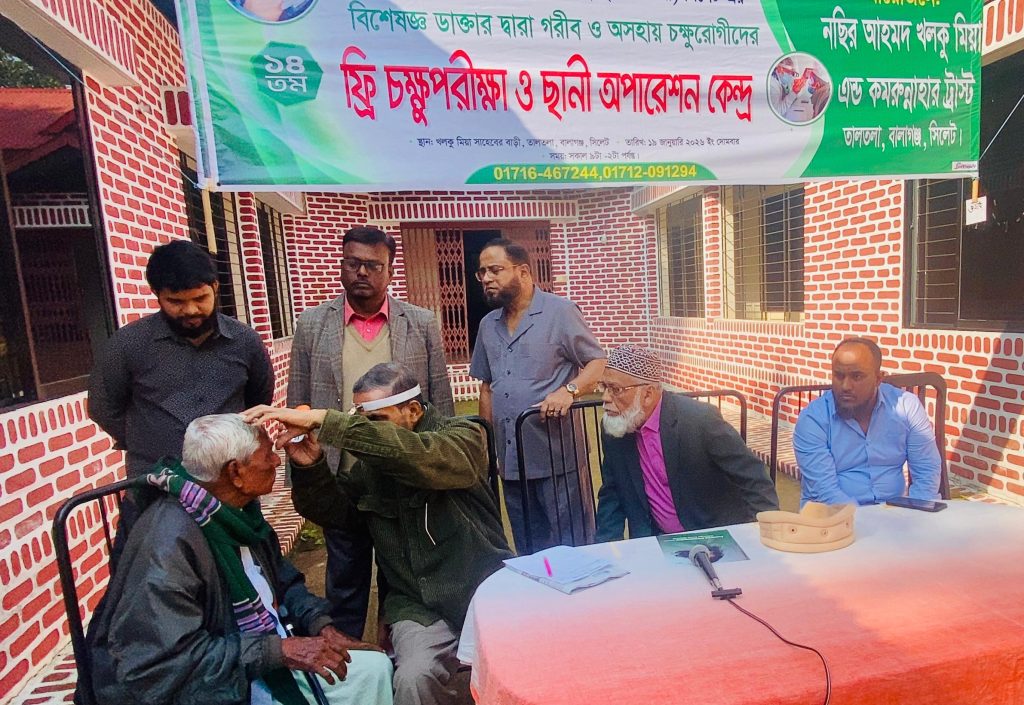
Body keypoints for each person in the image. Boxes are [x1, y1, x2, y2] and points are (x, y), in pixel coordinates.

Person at [244, 362, 512, 705]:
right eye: (361, 421)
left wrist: (327, 421)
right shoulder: (369, 472)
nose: (367, 432)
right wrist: (309, 467)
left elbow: (422, 456)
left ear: (413, 410)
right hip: (417, 606)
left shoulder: (464, 436)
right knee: (413, 679)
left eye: (376, 420)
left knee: (519, 671)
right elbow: (337, 515)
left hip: (485, 592)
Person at [87, 414, 394, 705]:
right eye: (267, 455)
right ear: (235, 472)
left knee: (374, 668)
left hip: (252, 656)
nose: (277, 461)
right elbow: (158, 666)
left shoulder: (235, 513)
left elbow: (283, 582)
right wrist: (278, 651)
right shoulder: (168, 544)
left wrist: (319, 624)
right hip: (206, 688)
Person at [288, 225, 454, 640]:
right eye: (353, 263)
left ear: (390, 269)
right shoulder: (313, 324)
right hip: (341, 478)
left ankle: (401, 651)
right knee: (345, 579)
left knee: (405, 577)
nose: (362, 272)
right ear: (342, 265)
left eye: (373, 265)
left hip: (402, 474)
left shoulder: (421, 323)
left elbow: (440, 400)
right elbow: (299, 402)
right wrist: (303, 474)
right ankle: (348, 660)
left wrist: (440, 466)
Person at [88, 239, 274, 535]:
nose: (190, 310)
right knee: (150, 562)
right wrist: (150, 438)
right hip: (154, 493)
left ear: (215, 287)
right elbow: (104, 408)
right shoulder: (128, 345)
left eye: (200, 298)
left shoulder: (244, 342)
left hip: (229, 494)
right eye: (175, 302)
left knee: (240, 561)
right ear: (157, 295)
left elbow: (257, 404)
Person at [469, 238, 606, 553]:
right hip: (511, 461)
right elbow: (487, 387)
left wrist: (569, 391)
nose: (486, 278)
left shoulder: (561, 312)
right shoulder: (488, 325)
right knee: (529, 548)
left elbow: (597, 363)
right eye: (482, 272)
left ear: (523, 272)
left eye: (495, 270)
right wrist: (485, 444)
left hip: (557, 457)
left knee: (574, 546)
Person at [595, 345, 778, 542]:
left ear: (648, 394)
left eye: (616, 390)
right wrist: (606, 549)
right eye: (604, 387)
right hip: (655, 542)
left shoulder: (698, 420)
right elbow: (612, 493)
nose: (605, 398)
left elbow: (753, 478)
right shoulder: (615, 427)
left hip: (713, 537)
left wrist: (763, 538)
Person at [794, 337, 942, 505]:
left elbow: (926, 471)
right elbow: (826, 494)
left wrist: (917, 510)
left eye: (857, 376)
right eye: (839, 376)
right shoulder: (813, 419)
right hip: (833, 516)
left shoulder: (906, 407)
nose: (846, 386)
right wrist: (868, 520)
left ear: (878, 379)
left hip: (893, 513)